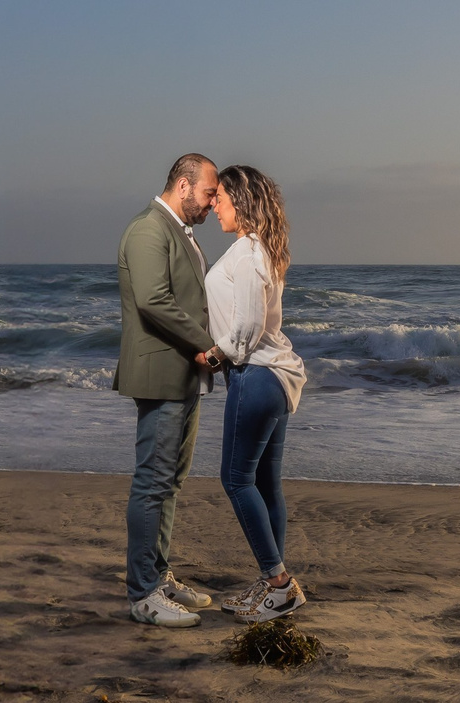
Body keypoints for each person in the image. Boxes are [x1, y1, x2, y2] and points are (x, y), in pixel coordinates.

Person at [114, 153, 223, 628]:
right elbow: (153, 301)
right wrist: (208, 345)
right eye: (207, 193)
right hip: (161, 374)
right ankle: (142, 594)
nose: (212, 201)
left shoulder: (178, 232)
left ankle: (158, 577)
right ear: (183, 186)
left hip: (184, 374)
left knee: (171, 482)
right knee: (152, 481)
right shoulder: (148, 229)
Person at [199, 165, 308, 622]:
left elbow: (247, 326)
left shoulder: (247, 251)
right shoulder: (261, 249)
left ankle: (279, 583)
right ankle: (272, 583)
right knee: (265, 483)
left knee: (234, 479)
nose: (212, 203)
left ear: (240, 200)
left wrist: (213, 356)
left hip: (256, 377)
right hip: (277, 378)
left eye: (219, 196)